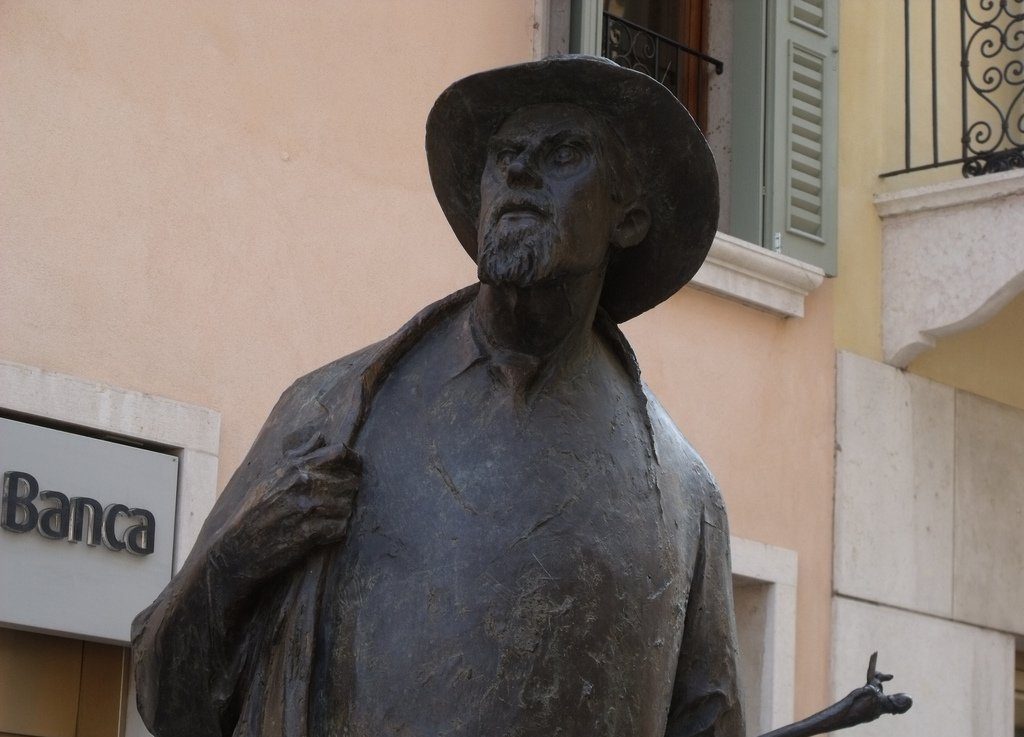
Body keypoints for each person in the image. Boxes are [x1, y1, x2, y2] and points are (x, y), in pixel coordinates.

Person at [132, 55, 745, 737]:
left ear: (627, 219)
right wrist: (239, 556)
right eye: (503, 156)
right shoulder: (330, 413)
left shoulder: (686, 495)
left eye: (564, 154)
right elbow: (165, 694)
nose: (517, 172)